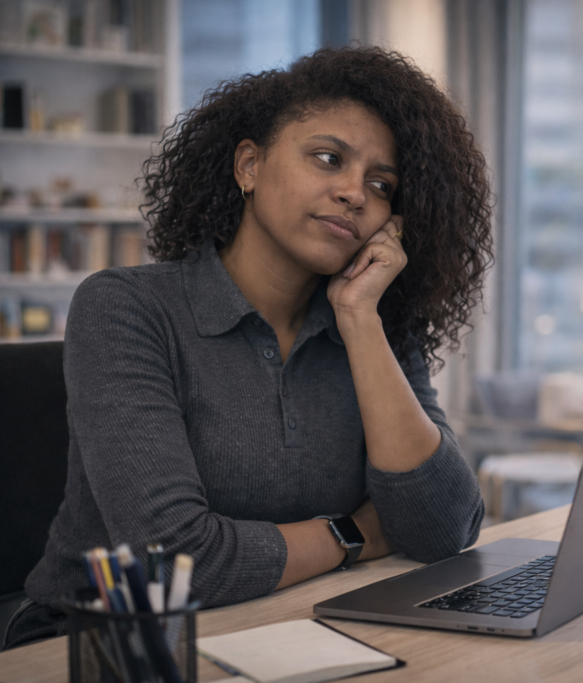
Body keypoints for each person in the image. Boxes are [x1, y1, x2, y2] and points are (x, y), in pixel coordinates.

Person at [3, 46, 493, 650]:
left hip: (297, 623)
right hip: (109, 644)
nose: (353, 193)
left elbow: (444, 528)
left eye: (380, 184)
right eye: (327, 157)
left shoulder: (376, 321)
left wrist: (359, 318)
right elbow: (175, 562)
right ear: (249, 166)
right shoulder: (126, 309)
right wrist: (355, 534)